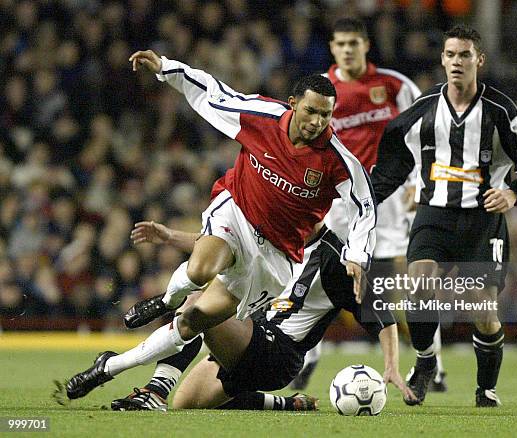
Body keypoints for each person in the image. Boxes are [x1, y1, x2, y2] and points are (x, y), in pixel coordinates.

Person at [65, 48, 378, 404]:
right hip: (237, 212)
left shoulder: (336, 159)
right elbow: (213, 93)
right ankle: (167, 299)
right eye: (310, 111)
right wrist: (166, 68)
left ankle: (108, 368)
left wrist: (357, 254)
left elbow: (365, 204)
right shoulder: (261, 117)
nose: (317, 122)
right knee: (199, 273)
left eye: (326, 114)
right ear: (292, 103)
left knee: (193, 322)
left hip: (274, 258)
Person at [370, 24, 517, 407]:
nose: (456, 62)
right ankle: (426, 362)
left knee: (482, 309)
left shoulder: (501, 111)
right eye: (450, 55)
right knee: (417, 283)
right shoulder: (422, 111)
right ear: (442, 60)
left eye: (464, 55)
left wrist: (515, 193)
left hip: (483, 220)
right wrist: (363, 199)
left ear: (478, 60)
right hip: (434, 214)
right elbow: (391, 162)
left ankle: (485, 389)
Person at [291, 17, 448, 393]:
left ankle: (433, 364)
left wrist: (421, 181)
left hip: (393, 199)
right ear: (332, 47)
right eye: (340, 43)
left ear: (365, 45)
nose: (347, 49)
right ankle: (305, 357)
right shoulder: (321, 94)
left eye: (353, 43)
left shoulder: (394, 86)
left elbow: (429, 131)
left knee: (412, 281)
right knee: (322, 275)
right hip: (339, 200)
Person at [108, 220, 413, 411]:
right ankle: (286, 404)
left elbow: (378, 311)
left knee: (199, 301)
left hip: (277, 352)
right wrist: (170, 236)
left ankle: (154, 392)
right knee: (187, 402)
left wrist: (392, 365)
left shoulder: (335, 260)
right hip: (246, 336)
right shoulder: (273, 232)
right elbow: (219, 244)